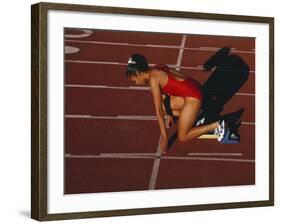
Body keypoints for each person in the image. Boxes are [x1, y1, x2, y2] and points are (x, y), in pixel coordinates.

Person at [126, 54, 225, 154]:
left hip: (194, 97)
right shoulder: (157, 68)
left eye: (134, 79)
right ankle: (194, 115)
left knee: (183, 136)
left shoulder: (153, 80)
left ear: (138, 73)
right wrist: (168, 114)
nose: (136, 82)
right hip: (195, 89)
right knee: (165, 108)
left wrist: (164, 137)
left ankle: (216, 125)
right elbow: (165, 96)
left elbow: (158, 111)